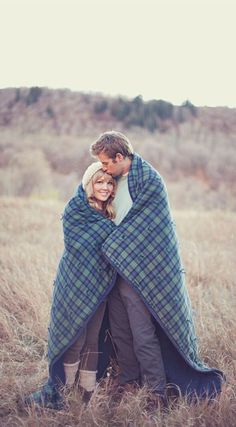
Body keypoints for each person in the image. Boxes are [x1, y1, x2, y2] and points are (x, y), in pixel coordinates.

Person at [90, 130, 225, 405]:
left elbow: (147, 227)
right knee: (120, 329)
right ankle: (129, 380)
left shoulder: (148, 180)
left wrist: (112, 243)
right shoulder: (111, 180)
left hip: (141, 272)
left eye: (106, 163)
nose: (103, 168)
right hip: (115, 268)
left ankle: (157, 391)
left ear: (119, 157)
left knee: (142, 332)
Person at [25, 162, 117, 409]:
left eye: (109, 183)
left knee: (93, 338)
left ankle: (86, 391)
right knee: (75, 337)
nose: (105, 187)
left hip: (100, 286)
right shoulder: (76, 209)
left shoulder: (110, 213)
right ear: (89, 183)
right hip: (74, 283)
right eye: (99, 182)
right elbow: (79, 245)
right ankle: (63, 390)